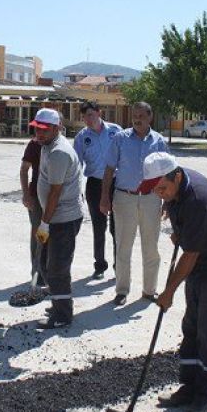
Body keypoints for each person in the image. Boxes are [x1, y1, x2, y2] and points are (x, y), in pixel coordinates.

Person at [140, 152, 207, 412]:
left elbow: (190, 254)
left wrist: (168, 292)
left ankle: (205, 397)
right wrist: (181, 229)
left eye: (162, 188)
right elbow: (180, 218)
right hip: (199, 261)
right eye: (154, 190)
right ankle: (189, 387)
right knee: (192, 325)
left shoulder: (199, 198)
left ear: (177, 175)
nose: (159, 194)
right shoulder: (174, 191)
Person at [100, 101, 168, 306]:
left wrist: (168, 201)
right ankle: (121, 290)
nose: (137, 119)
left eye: (141, 116)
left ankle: (149, 290)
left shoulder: (159, 141)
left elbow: (167, 173)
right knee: (123, 247)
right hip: (124, 198)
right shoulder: (120, 138)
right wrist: (105, 197)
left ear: (150, 117)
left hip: (151, 199)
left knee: (151, 247)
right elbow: (109, 170)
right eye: (134, 116)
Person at [30, 108, 85, 329]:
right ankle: (58, 303)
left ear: (56, 128)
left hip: (63, 218)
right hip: (54, 217)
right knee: (45, 264)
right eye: (36, 128)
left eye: (44, 129)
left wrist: (44, 222)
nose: (39, 133)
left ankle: (62, 316)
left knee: (57, 268)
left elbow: (55, 192)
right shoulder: (46, 145)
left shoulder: (58, 152)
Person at [73, 101, 122, 280]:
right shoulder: (82, 137)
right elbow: (76, 164)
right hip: (94, 184)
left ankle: (120, 265)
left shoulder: (115, 131)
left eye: (91, 115)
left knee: (117, 228)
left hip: (117, 184)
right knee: (98, 227)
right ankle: (100, 265)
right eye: (85, 116)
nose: (88, 119)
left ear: (99, 113)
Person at [20, 136, 46, 286]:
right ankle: (37, 273)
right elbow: (24, 169)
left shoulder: (60, 145)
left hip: (56, 198)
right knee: (39, 234)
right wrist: (26, 195)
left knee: (53, 235)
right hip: (36, 197)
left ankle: (50, 271)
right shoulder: (35, 144)